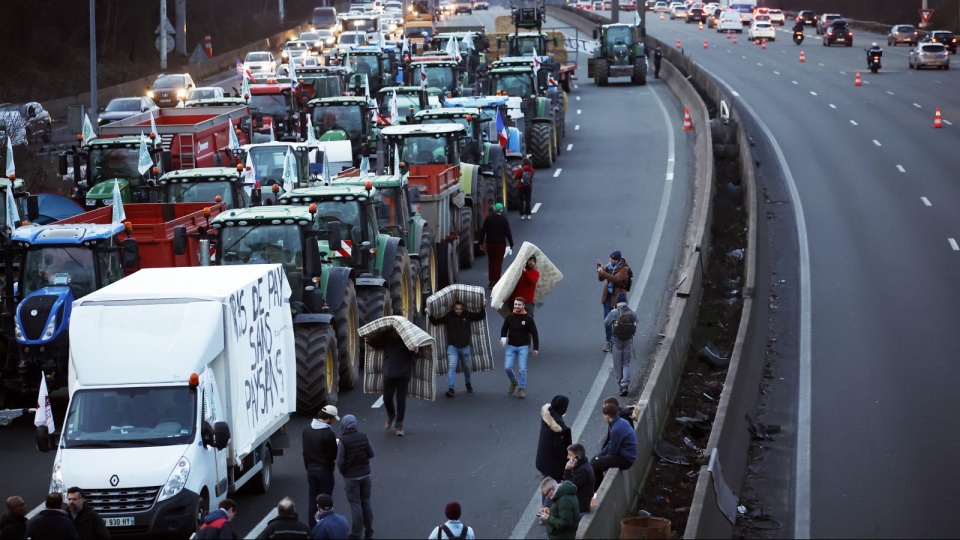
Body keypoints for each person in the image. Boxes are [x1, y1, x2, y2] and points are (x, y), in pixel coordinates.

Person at [428, 301, 486, 397]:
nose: (459, 311)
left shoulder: (467, 315)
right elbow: (435, 322)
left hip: (465, 347)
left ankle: (468, 383)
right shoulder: (448, 316)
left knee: (467, 368)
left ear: (463, 309)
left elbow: (480, 316)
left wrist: (483, 307)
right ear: (453, 309)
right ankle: (451, 389)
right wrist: (429, 313)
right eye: (457, 309)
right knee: (452, 366)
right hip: (452, 347)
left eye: (460, 309)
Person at [366, 328, 416, 436]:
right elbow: (375, 345)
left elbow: (417, 354)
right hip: (389, 372)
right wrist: (369, 338)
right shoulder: (386, 339)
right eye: (392, 331)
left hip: (403, 373)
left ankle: (399, 425)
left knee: (401, 399)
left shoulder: (408, 340)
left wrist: (416, 350)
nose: (394, 333)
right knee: (387, 397)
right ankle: (391, 414)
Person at [336, 414, 375, 539]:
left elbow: (340, 461)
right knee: (366, 503)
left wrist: (342, 472)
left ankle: (356, 534)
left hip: (351, 477)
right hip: (365, 475)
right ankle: (369, 532)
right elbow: (371, 453)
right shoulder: (363, 436)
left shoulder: (343, 440)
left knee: (355, 505)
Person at [303, 405, 340, 528]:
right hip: (325, 471)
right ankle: (324, 527)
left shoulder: (306, 430)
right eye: (333, 418)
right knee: (325, 500)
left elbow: (305, 452)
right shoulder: (328, 434)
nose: (333, 421)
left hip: (311, 470)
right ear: (328, 418)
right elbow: (333, 455)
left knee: (312, 500)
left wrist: (308, 467)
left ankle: (313, 526)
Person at [591, 403, 637, 491]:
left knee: (595, 464)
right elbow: (611, 443)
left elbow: (613, 451)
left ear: (607, 416)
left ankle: (597, 489)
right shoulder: (621, 421)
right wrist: (599, 455)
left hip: (626, 459)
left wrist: (601, 458)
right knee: (595, 459)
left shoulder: (616, 429)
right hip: (627, 454)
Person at [500, 297, 539, 399]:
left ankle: (521, 388)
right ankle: (513, 381)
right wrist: (503, 339)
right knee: (507, 367)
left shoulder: (528, 319)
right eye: (515, 304)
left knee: (522, 369)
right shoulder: (509, 317)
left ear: (523, 306)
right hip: (511, 346)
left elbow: (534, 334)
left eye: (519, 305)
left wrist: (536, 348)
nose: (517, 306)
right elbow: (504, 329)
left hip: (523, 347)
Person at [603, 292, 638, 396]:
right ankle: (626, 384)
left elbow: (606, 323)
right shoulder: (632, 312)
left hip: (617, 341)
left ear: (617, 302)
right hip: (628, 340)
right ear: (626, 301)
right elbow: (637, 322)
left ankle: (620, 387)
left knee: (618, 364)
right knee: (626, 363)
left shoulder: (614, 312)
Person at [597, 250, 630, 353]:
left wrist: (604, 273)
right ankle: (609, 341)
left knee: (617, 320)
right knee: (607, 319)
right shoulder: (609, 266)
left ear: (618, 260)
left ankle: (618, 340)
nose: (611, 261)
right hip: (608, 295)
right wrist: (601, 270)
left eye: (613, 259)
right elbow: (601, 279)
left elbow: (615, 279)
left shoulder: (624, 269)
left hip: (618, 296)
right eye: (610, 259)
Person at [536, 395, 572, 485]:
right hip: (553, 466)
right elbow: (560, 450)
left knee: (545, 483)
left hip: (542, 461)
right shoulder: (559, 428)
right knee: (552, 490)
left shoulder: (547, 417)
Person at [477, 203, 514, 288]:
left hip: (490, 244)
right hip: (500, 244)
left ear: (494, 209)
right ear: (501, 210)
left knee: (491, 262)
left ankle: (491, 281)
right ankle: (497, 281)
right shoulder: (504, 219)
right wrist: (511, 244)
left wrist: (480, 243)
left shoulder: (488, 219)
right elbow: (508, 233)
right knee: (498, 262)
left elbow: (483, 231)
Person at [562, 444, 595, 516]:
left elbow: (568, 487)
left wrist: (567, 470)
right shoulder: (582, 465)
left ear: (577, 457)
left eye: (570, 455)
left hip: (580, 508)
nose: (567, 457)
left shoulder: (582, 471)